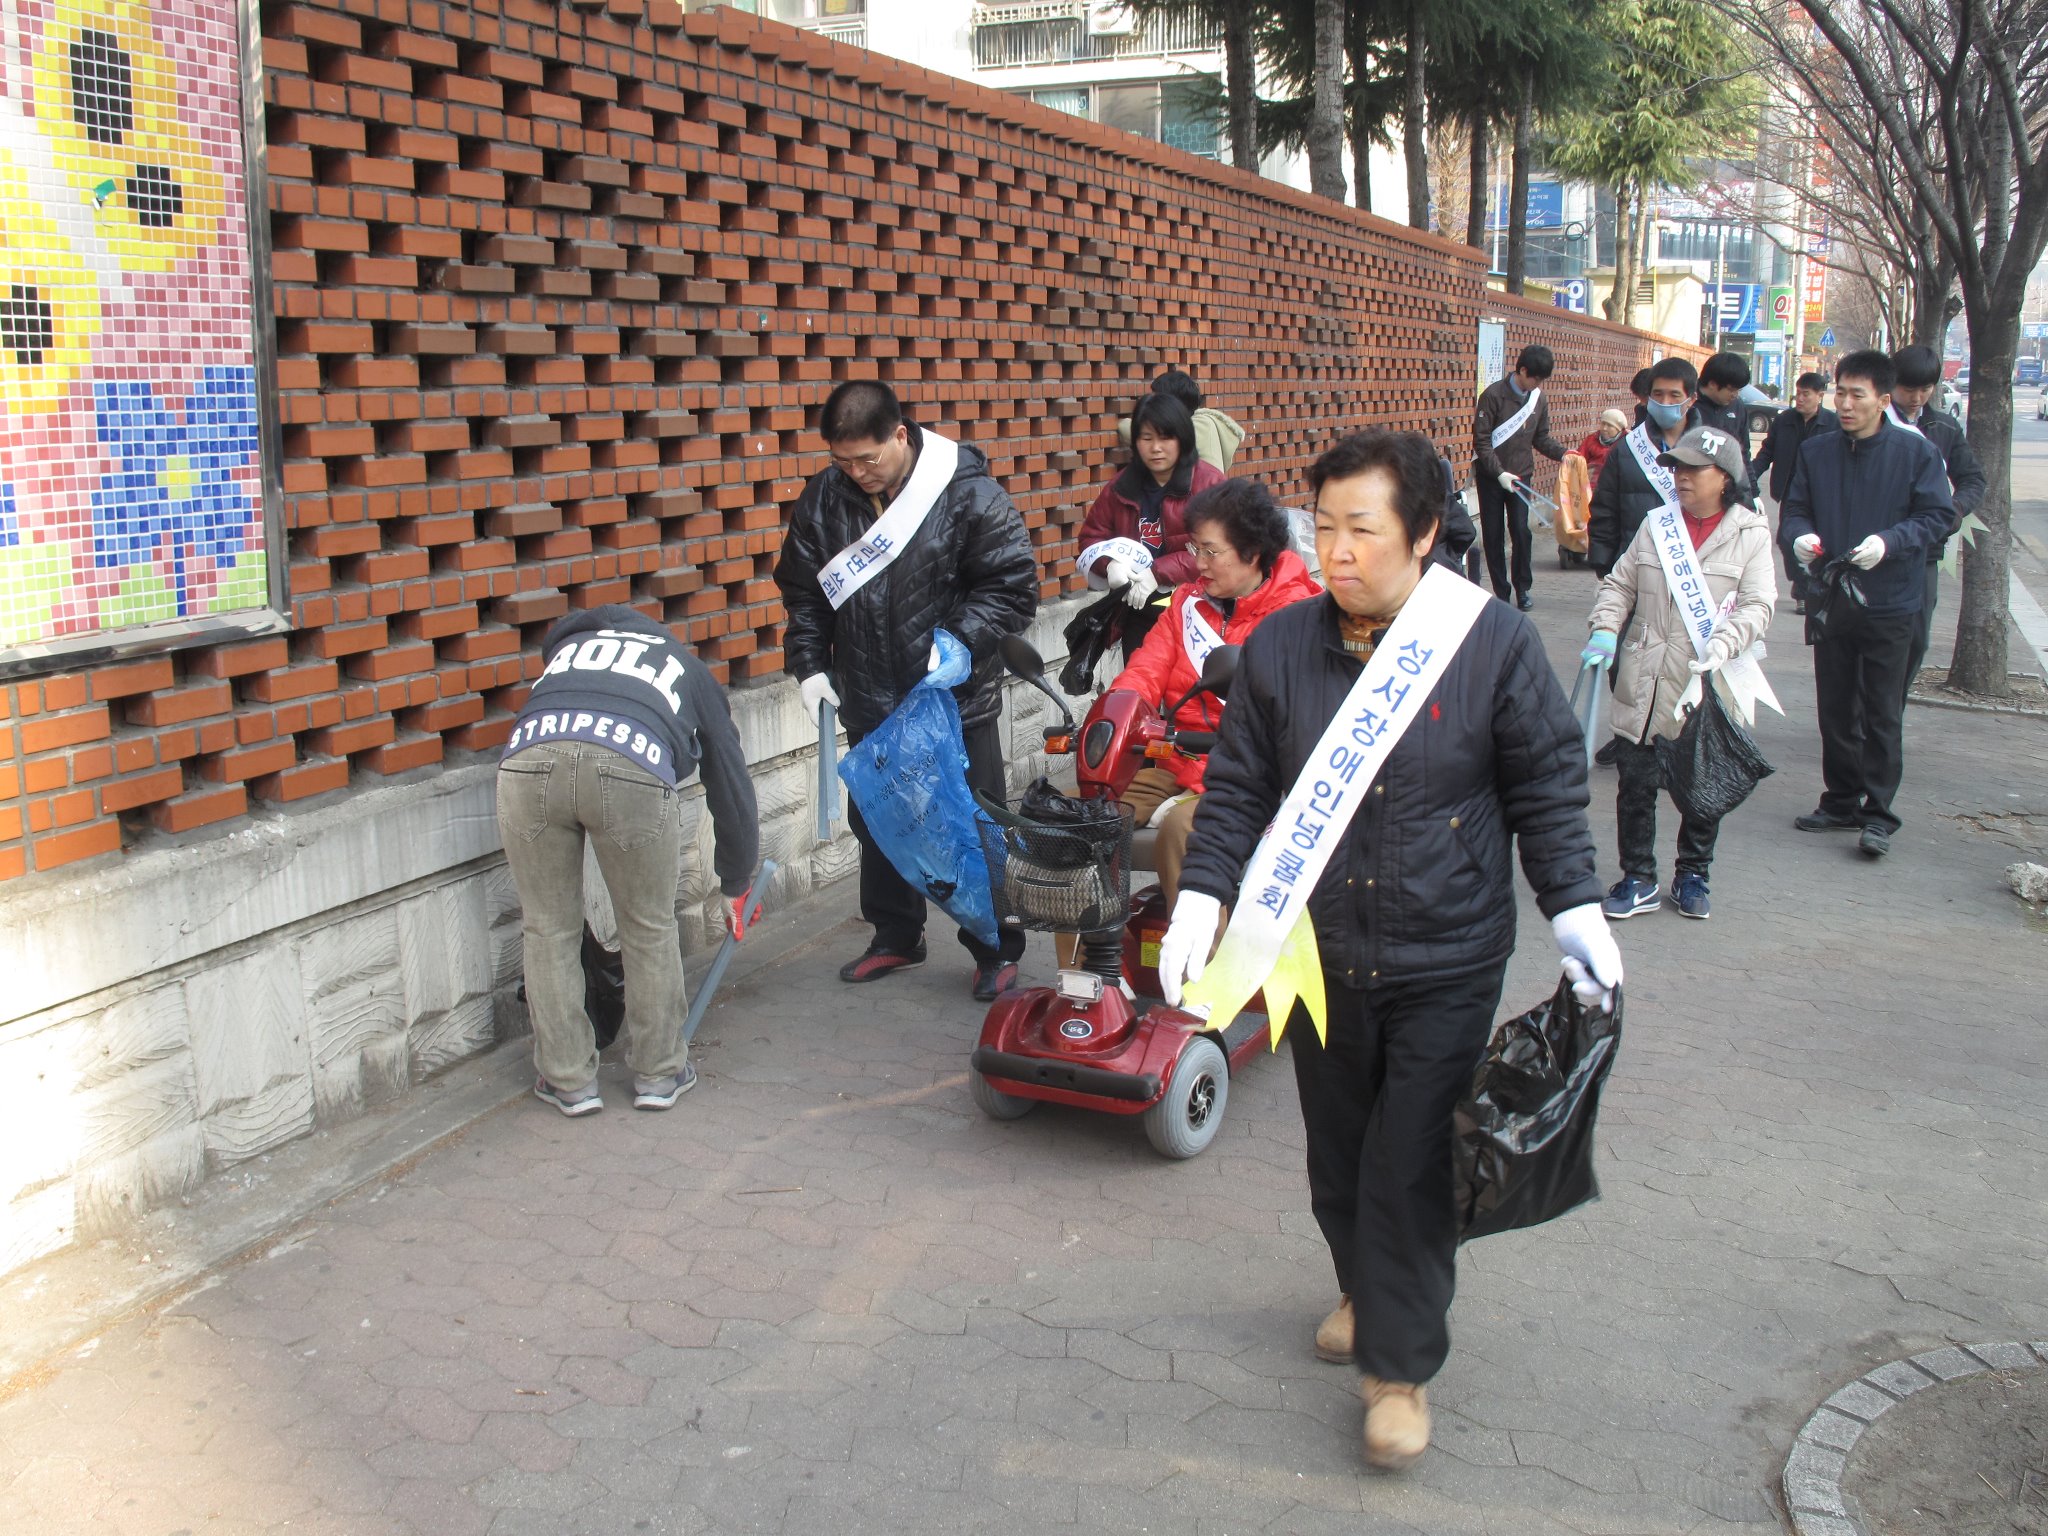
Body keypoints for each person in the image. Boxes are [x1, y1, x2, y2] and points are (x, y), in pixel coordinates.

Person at [1156, 429, 1620, 1473]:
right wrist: (1202, 894)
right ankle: (1362, 1286)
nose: (1336, 551)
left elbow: (1545, 785)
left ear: (1419, 533)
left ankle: (1397, 1370)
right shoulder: (1279, 648)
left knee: (1409, 1155)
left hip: (1447, 951)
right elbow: (1237, 791)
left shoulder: (1490, 642)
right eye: (1320, 527)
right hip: (1316, 954)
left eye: (1360, 530)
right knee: (1338, 1147)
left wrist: (1574, 907)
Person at [775, 380, 1037, 995]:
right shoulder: (825, 498)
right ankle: (896, 935)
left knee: (975, 820)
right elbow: (805, 592)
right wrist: (809, 664)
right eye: (843, 461)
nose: (858, 473)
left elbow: (1011, 586)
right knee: (879, 819)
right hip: (869, 693)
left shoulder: (966, 491)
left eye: (869, 458)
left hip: (953, 700)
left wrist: (963, 641)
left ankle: (996, 947)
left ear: (901, 435)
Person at [498, 605, 761, 1116]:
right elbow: (729, 780)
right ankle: (659, 1074)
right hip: (632, 763)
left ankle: (568, 1079)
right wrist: (736, 878)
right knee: (647, 925)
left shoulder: (568, 655)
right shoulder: (683, 664)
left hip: (528, 761)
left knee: (548, 928)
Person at [1583, 426, 1776, 921]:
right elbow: (1620, 584)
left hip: (1706, 678)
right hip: (1645, 676)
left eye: (1694, 470)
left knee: (1701, 783)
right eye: (1677, 468)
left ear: (1726, 479)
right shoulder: (1657, 525)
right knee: (1636, 784)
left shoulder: (1750, 533)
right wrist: (1605, 629)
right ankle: (1637, 877)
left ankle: (1693, 872)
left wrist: (1725, 642)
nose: (1682, 478)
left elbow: (1759, 605)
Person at [1105, 478, 1321, 909]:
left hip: (1253, 772)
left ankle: (1202, 970)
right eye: (1194, 549)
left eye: (1210, 551)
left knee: (1185, 831)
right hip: (1179, 757)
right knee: (1084, 815)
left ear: (1252, 553)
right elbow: (1144, 672)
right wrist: (1113, 720)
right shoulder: (1185, 604)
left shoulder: (1299, 614)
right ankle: (1090, 971)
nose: (1197, 563)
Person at [1780, 350, 1954, 859]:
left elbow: (1938, 515)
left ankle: (1878, 813)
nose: (1847, 404)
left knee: (1881, 710)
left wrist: (1892, 541)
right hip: (1833, 598)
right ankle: (1840, 800)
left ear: (1883, 398)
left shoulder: (1914, 453)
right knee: (1835, 705)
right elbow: (1794, 508)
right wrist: (1799, 536)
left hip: (1891, 600)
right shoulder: (1818, 452)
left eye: (1858, 394)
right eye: (1841, 392)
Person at [1080, 392, 1228, 656]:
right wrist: (1110, 563)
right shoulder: (1120, 487)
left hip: (1200, 612)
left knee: (1188, 694)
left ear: (1182, 438)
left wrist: (1159, 572)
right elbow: (1091, 537)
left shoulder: (1209, 484)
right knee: (1139, 690)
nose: (1156, 447)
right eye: (1147, 438)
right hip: (1138, 611)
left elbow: (1222, 552)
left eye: (1165, 437)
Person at [1888, 344, 1986, 692]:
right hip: (1877, 547)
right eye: (1908, 388)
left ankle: (1890, 711)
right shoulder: (1877, 423)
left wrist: (1954, 510)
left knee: (1916, 639)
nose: (1916, 397)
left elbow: (1973, 479)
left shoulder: (1943, 427)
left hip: (1924, 552)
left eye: (1925, 389)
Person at [1472, 344, 1569, 610]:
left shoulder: (1538, 398)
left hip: (1521, 474)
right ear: (1522, 370)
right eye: (1535, 378)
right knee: (1493, 535)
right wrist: (1499, 472)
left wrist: (1564, 454)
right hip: (1492, 477)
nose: (1537, 384)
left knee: (1521, 531)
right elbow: (1481, 443)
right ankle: (1501, 594)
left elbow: (1541, 438)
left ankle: (1522, 588)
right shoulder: (1492, 396)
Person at [1589, 356, 1699, 577]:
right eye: (1658, 394)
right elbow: (1605, 510)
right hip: (1636, 569)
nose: (1665, 402)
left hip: (1694, 574)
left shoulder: (1712, 447)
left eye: (1674, 395)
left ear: (1691, 399)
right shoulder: (1626, 449)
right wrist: (1603, 567)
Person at [1750, 373, 1839, 613]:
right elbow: (1767, 452)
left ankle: (1813, 588)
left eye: (1805, 394)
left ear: (1820, 396)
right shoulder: (1784, 421)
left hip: (1823, 493)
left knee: (1815, 543)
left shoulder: (1834, 424)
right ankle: (1802, 586)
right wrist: (1749, 478)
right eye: (1797, 394)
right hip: (1791, 491)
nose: (1800, 399)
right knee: (1786, 540)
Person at [1118, 367, 1248, 471]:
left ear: (1173, 403)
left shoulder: (1200, 426)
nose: (1154, 406)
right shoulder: (1204, 423)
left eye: (1159, 400)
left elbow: (1130, 430)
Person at [1576, 408, 1629, 484]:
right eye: (1603, 423)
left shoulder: (1626, 444)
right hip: (1589, 487)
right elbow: (1579, 460)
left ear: (1619, 429)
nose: (1604, 428)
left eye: (1610, 425)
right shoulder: (1591, 439)